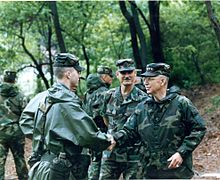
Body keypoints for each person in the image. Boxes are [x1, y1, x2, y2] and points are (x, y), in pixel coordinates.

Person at [19, 53, 113, 180]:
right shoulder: (66, 102)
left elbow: (26, 120)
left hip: (42, 165)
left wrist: (45, 138)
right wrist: (107, 140)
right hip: (62, 169)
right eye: (78, 72)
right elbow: (88, 136)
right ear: (69, 74)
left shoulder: (45, 97)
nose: (79, 76)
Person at [112, 63, 207, 179]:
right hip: (150, 171)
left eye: (150, 79)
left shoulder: (181, 103)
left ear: (162, 81)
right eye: (145, 79)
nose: (145, 82)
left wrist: (182, 152)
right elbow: (129, 131)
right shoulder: (142, 107)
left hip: (177, 172)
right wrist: (113, 139)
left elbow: (199, 128)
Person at [98, 59, 147, 180]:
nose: (127, 76)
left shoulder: (144, 99)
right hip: (111, 153)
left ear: (135, 74)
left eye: (130, 72)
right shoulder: (108, 96)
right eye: (123, 73)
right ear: (117, 75)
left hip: (134, 154)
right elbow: (105, 119)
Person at [83, 66, 113, 180]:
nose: (112, 78)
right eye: (110, 76)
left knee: (94, 160)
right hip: (103, 132)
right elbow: (106, 116)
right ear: (104, 76)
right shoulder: (105, 92)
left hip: (90, 131)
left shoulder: (87, 94)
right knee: (104, 164)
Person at [0, 70, 28, 180]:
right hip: (17, 132)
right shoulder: (21, 96)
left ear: (3, 79)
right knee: (19, 158)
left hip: (1, 132)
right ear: (15, 80)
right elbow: (26, 115)